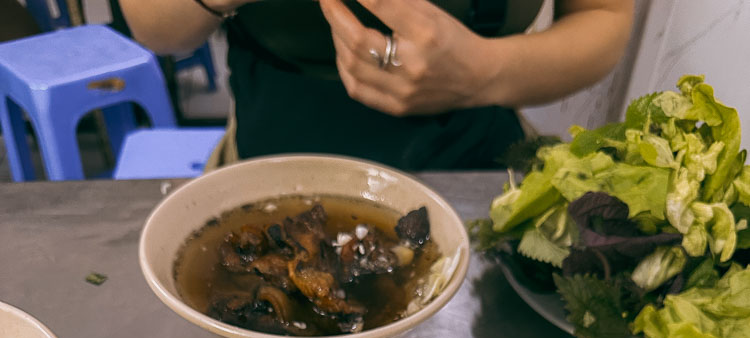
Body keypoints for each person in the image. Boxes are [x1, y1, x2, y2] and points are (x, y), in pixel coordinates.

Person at [119, 0, 634, 170]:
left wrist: (484, 73)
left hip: (480, 175)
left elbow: (603, 16)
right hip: (267, 157)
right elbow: (151, 23)